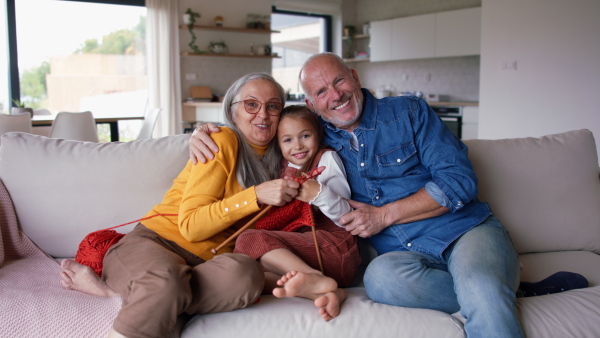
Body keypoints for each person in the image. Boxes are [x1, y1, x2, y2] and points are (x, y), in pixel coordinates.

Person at [188, 53, 524, 337]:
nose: (334, 95)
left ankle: (487, 286)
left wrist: (384, 215)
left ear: (354, 76)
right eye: (321, 91)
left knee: (481, 286)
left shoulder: (408, 111)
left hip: (463, 230)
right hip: (400, 255)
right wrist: (206, 132)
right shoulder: (317, 139)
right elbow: (269, 130)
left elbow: (459, 181)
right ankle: (497, 287)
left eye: (338, 82)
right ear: (311, 104)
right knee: (380, 281)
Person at [60, 72, 302, 338]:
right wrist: (254, 195)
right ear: (233, 113)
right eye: (251, 104)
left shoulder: (283, 157)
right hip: (156, 242)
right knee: (165, 282)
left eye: (273, 106)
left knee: (246, 274)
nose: (263, 115)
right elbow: (191, 227)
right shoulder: (222, 140)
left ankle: (117, 293)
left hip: (205, 265)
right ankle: (148, 292)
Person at [234, 105, 361, 321]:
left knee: (249, 239)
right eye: (288, 140)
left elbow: (345, 218)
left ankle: (312, 277)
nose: (298, 145)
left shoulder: (326, 160)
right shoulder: (283, 167)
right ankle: (328, 292)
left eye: (305, 135)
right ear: (278, 143)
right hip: (308, 254)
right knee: (245, 270)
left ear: (317, 135)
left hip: (335, 249)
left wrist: (318, 194)